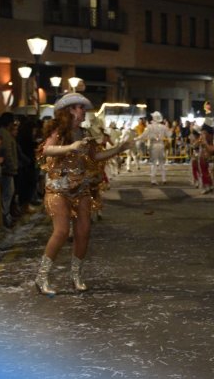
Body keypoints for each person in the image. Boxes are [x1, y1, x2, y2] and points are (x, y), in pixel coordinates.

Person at [34, 93, 133, 297]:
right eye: (80, 108)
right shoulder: (59, 131)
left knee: (84, 232)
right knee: (61, 232)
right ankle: (42, 276)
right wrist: (70, 146)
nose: (84, 111)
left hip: (81, 188)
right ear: (70, 110)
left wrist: (119, 148)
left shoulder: (84, 132)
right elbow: (46, 150)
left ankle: (76, 276)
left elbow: (95, 156)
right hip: (58, 189)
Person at [135, 111, 172, 185]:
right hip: (161, 145)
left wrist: (136, 138)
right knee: (162, 163)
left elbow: (143, 135)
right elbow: (169, 135)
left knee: (153, 163)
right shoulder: (163, 127)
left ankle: (153, 180)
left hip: (153, 145)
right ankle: (164, 179)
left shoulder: (149, 127)